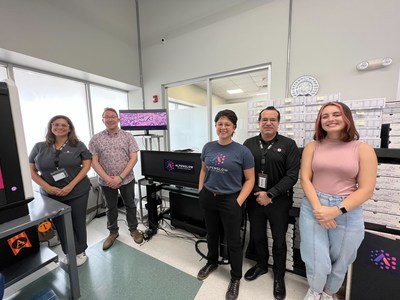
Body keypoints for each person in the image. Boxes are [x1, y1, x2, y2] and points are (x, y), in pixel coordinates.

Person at [300, 101, 377, 300]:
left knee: (342, 258)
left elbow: (367, 189)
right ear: (319, 121)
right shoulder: (312, 146)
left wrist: (335, 211)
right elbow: (305, 179)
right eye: (325, 116)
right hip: (313, 205)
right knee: (315, 256)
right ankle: (315, 290)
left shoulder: (363, 149)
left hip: (347, 209)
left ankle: (328, 293)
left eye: (336, 114)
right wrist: (319, 210)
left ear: (347, 118)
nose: (330, 119)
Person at [243, 106, 300, 300]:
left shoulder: (288, 144)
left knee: (279, 239)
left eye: (273, 119)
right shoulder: (248, 143)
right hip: (254, 199)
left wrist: (271, 194)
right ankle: (261, 265)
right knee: (257, 235)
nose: (268, 123)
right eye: (264, 119)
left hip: (278, 201)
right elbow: (243, 171)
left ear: (278, 122)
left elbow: (292, 175)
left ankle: (279, 275)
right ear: (258, 122)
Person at [197, 109, 255, 300]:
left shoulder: (242, 151)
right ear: (216, 126)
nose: (223, 127)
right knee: (212, 233)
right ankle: (212, 262)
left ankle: (235, 277)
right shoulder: (208, 147)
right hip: (209, 197)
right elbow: (203, 170)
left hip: (230, 200)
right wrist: (201, 189)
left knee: (233, 241)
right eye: (220, 124)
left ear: (234, 128)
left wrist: (238, 201)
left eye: (227, 124)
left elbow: (250, 180)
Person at [29, 115, 92, 266]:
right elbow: (31, 170)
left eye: (64, 125)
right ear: (51, 127)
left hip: (77, 191)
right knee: (61, 225)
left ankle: (81, 250)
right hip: (52, 194)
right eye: (56, 124)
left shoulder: (78, 145)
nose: (60, 127)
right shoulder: (39, 147)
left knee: (77, 221)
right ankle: (69, 252)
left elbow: (87, 166)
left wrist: (71, 185)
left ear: (69, 128)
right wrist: (47, 187)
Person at [89, 107, 143, 250]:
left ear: (118, 119)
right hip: (106, 181)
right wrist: (108, 179)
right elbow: (94, 161)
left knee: (130, 204)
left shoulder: (128, 136)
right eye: (107, 117)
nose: (110, 119)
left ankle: (133, 229)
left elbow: (133, 158)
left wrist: (120, 177)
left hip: (126, 179)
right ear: (103, 120)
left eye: (113, 116)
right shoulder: (96, 139)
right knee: (110, 207)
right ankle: (113, 232)